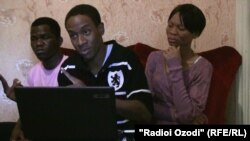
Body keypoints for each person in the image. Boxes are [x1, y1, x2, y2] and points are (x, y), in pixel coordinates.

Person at [57, 4, 153, 140]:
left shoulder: (125, 59)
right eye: (73, 35)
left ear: (100, 29)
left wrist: (93, 96)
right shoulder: (68, 70)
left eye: (86, 32)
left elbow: (145, 115)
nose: (80, 42)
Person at [145, 3, 213, 124]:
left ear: (196, 33)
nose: (172, 32)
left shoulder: (203, 67)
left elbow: (186, 114)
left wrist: (175, 66)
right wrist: (176, 115)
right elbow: (144, 103)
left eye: (181, 28)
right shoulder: (154, 58)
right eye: (170, 25)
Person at [9, 17, 68, 140]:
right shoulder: (33, 72)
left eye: (45, 37)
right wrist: (22, 102)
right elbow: (34, 109)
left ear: (59, 40)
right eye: (34, 39)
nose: (38, 43)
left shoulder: (72, 67)